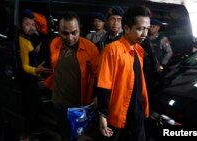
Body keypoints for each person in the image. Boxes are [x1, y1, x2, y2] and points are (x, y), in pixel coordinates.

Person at [97, 5, 151, 141]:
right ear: (126, 28)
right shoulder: (112, 50)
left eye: (146, 29)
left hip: (137, 114)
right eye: (139, 29)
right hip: (118, 114)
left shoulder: (138, 50)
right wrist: (102, 115)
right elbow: (104, 84)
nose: (144, 33)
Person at [44, 11, 99, 141]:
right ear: (58, 31)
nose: (70, 38)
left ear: (80, 29)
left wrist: (98, 96)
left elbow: (101, 75)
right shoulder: (54, 44)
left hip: (79, 105)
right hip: (58, 101)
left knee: (78, 135)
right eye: (65, 33)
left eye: (74, 32)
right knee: (64, 133)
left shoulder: (91, 49)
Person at [18, 8, 52, 141]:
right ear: (21, 24)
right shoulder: (23, 42)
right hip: (28, 81)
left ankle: (35, 128)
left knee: (35, 105)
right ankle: (32, 132)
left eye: (32, 24)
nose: (31, 27)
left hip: (32, 80)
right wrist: (36, 70)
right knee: (31, 107)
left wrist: (35, 50)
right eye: (27, 24)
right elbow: (24, 66)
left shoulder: (27, 39)